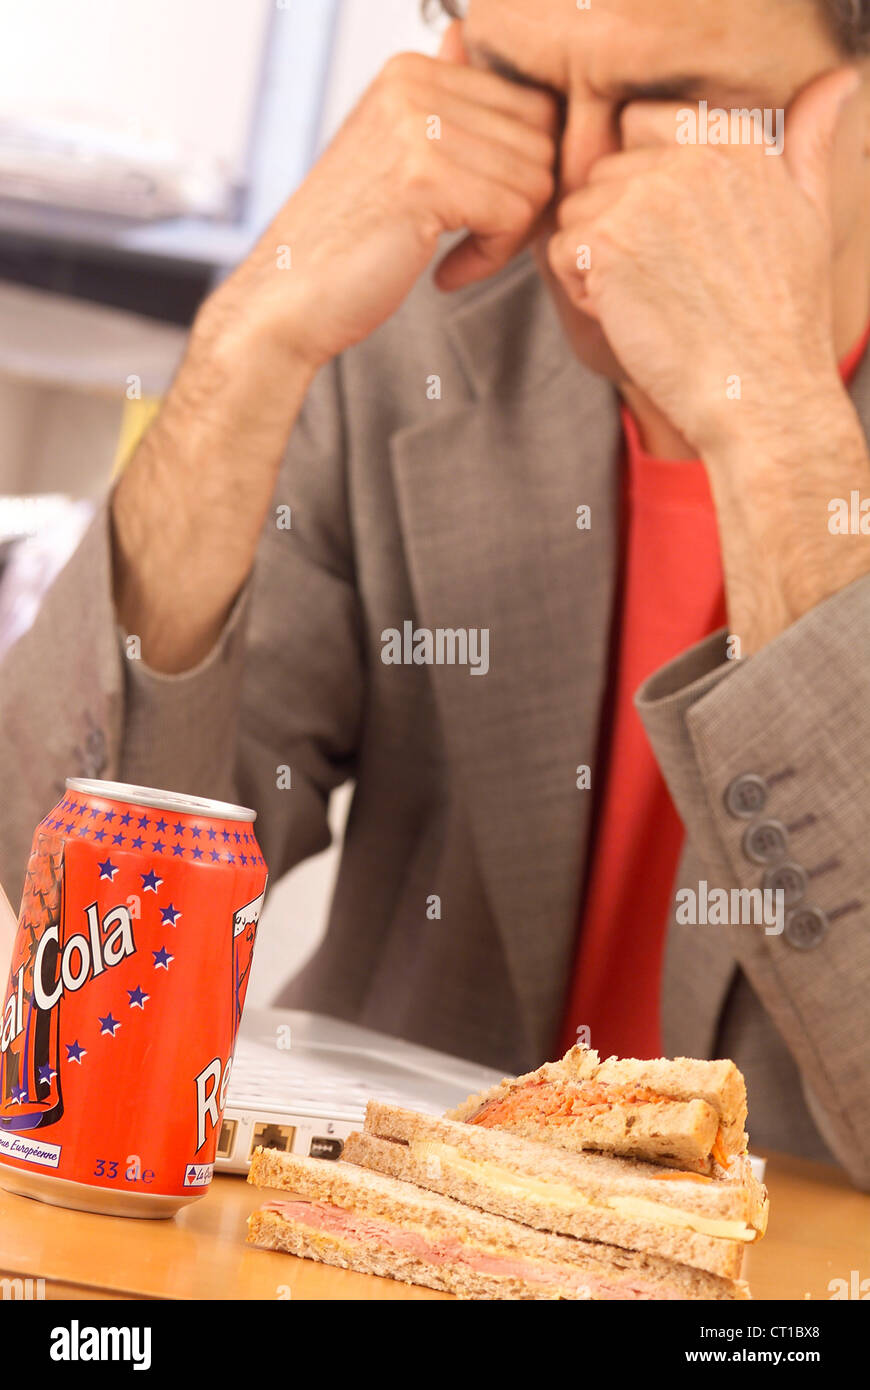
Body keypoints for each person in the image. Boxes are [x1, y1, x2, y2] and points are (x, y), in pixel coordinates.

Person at [1, 0, 869, 1183]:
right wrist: (251, 341)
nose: (572, 204)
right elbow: (70, 909)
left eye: (676, 109)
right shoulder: (412, 320)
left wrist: (775, 430)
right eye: (521, 85)